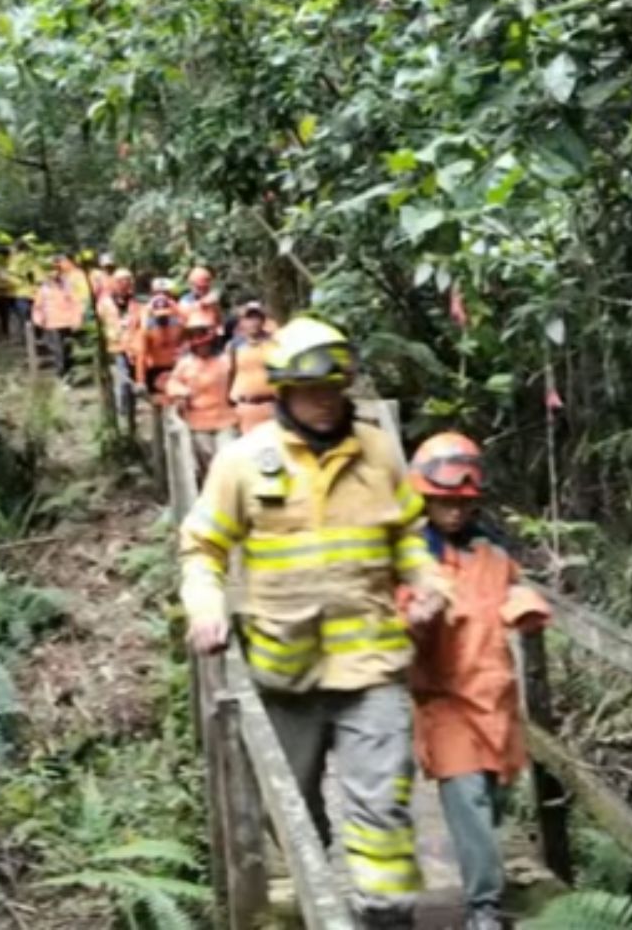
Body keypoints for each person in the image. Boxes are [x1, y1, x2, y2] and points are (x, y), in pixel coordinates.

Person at [178, 317, 453, 928]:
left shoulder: (378, 451)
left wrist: (428, 581)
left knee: (383, 802)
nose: (325, 403)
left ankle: (386, 915)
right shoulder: (244, 461)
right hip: (285, 670)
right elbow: (202, 548)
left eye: (334, 389)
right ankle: (314, 879)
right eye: (311, 392)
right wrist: (206, 608)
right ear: (283, 392)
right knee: (291, 810)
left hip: (372, 665)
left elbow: (407, 533)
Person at [402, 433, 551, 930]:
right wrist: (417, 618)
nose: (455, 511)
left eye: (463, 502)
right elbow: (396, 617)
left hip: (496, 698)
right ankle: (483, 908)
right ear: (426, 498)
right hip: (445, 700)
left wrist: (523, 602)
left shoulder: (492, 551)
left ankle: (484, 889)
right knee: (468, 799)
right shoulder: (412, 558)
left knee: (493, 800)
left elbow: (511, 589)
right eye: (444, 500)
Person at [166, 311, 239, 476]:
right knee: (207, 463)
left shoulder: (226, 360)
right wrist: (182, 391)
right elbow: (172, 383)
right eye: (195, 335)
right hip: (198, 422)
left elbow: (238, 382)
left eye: (202, 334)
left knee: (227, 459)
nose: (200, 343)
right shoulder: (185, 364)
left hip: (225, 420)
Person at [32, 253, 87, 377]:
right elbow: (37, 307)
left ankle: (69, 374)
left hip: (67, 323)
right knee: (58, 351)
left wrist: (77, 319)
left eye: (56, 270)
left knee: (68, 351)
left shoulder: (67, 286)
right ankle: (61, 375)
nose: (53, 273)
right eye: (50, 271)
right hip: (52, 324)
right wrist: (39, 319)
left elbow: (76, 303)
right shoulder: (44, 288)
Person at [228, 301, 279, 434]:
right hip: (246, 407)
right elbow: (230, 372)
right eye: (249, 318)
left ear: (263, 320)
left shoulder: (275, 342)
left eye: (257, 318)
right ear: (242, 322)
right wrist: (229, 403)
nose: (253, 322)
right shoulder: (234, 345)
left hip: (272, 406)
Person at [98, 269, 142, 419]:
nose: (125, 285)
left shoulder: (135, 302)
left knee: (133, 380)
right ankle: (122, 411)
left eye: (127, 281)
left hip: (133, 346)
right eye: (121, 282)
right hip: (115, 346)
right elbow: (99, 324)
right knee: (122, 380)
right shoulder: (105, 303)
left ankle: (131, 410)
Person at [134, 282, 186, 402]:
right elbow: (140, 356)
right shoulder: (146, 330)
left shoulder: (179, 324)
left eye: (165, 315)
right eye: (159, 316)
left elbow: (188, 341)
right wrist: (140, 380)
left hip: (176, 366)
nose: (163, 318)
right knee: (164, 395)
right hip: (156, 369)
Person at [178, 265, 224, 333]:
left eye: (205, 287)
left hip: (212, 333)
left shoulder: (212, 298)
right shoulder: (185, 300)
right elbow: (182, 320)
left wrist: (220, 333)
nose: (202, 290)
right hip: (193, 332)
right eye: (199, 287)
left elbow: (219, 320)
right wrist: (201, 304)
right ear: (192, 285)